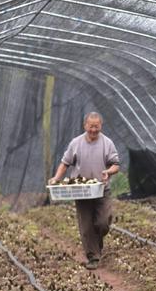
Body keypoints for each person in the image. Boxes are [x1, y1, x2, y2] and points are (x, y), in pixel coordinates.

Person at [48, 112, 120, 270]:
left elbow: (115, 164)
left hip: (101, 189)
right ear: (85, 126)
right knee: (86, 226)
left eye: (97, 126)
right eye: (91, 126)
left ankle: (97, 242)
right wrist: (56, 179)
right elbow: (65, 163)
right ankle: (93, 257)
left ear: (101, 126)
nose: (94, 129)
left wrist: (108, 172)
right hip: (81, 191)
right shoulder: (76, 143)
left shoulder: (107, 143)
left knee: (102, 223)